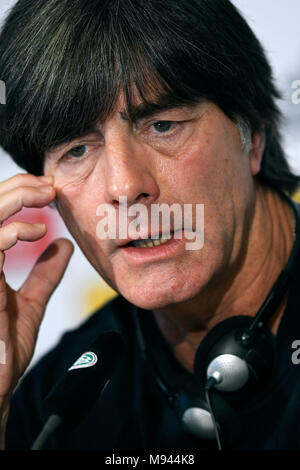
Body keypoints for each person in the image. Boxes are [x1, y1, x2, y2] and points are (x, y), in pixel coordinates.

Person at [0, 0, 299, 450]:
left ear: (252, 136)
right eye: (76, 151)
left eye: (162, 125)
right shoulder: (59, 407)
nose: (124, 186)